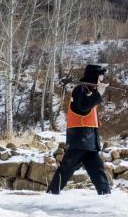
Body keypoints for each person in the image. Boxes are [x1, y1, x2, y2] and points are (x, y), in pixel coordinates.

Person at [48, 63, 112, 195]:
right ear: (94, 77)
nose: (101, 80)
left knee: (98, 170)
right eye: (100, 77)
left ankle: (106, 196)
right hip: (79, 140)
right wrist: (99, 93)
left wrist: (97, 93)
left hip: (89, 142)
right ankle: (51, 194)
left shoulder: (89, 92)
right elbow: (83, 106)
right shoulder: (80, 90)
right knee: (66, 169)